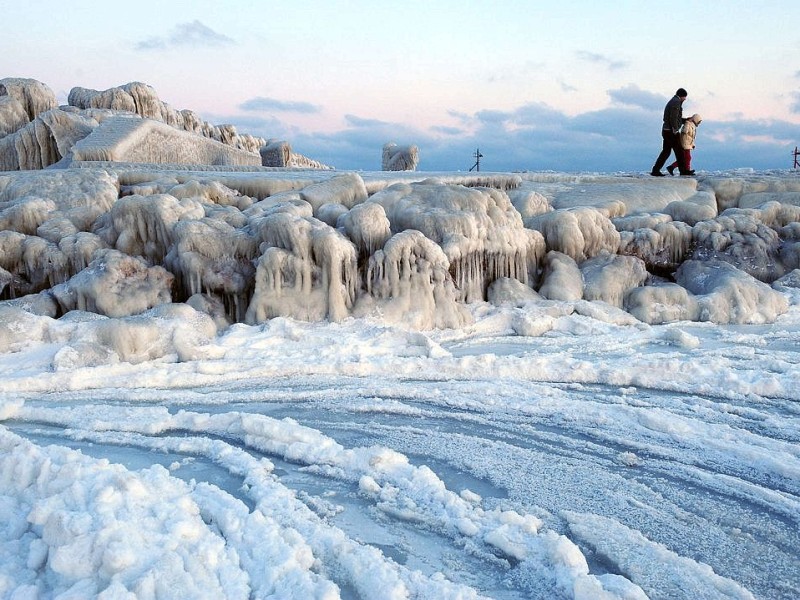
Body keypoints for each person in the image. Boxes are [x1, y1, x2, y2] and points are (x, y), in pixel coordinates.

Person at [650, 88, 691, 176]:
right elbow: (673, 118)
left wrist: (685, 120)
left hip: (666, 131)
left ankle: (655, 170)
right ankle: (683, 171)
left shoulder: (673, 101)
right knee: (679, 151)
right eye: (685, 97)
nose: (685, 99)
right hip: (671, 132)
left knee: (666, 152)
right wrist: (675, 130)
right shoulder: (676, 102)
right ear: (682, 96)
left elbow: (676, 118)